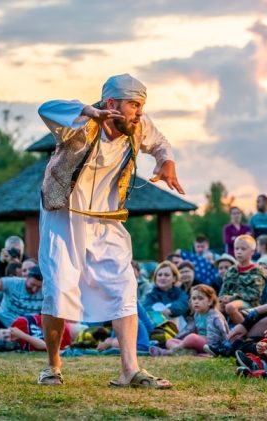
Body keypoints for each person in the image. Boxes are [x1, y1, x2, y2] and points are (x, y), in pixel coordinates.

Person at [37, 73, 181, 388]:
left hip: (107, 220)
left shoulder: (139, 127)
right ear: (112, 103)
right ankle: (52, 366)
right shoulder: (78, 123)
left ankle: (130, 370)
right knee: (59, 289)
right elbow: (46, 108)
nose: (140, 112)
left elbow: (160, 144)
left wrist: (165, 161)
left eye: (142, 105)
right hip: (64, 218)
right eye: (134, 104)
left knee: (123, 288)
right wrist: (88, 111)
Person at [159, 285, 230, 356]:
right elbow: (188, 329)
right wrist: (177, 338)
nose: (196, 302)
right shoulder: (197, 314)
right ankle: (186, 352)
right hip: (200, 342)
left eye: (200, 299)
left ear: (210, 301)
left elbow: (223, 333)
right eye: (194, 298)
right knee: (170, 341)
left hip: (211, 345)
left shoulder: (214, 315)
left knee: (191, 337)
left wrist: (215, 349)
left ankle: (170, 352)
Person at [219, 235, 266, 324]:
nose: (239, 252)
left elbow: (254, 294)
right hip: (230, 301)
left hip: (250, 304)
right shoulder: (231, 270)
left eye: (243, 249)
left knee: (230, 307)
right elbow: (223, 289)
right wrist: (222, 299)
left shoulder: (257, 270)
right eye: (236, 249)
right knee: (212, 307)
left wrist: (232, 298)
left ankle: (245, 332)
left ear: (252, 252)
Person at [140, 261, 189, 330]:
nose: (162, 278)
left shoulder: (180, 293)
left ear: (174, 278)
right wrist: (159, 312)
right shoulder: (150, 295)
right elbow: (145, 308)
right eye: (159, 275)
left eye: (166, 275)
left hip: (178, 327)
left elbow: (183, 304)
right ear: (155, 278)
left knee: (176, 314)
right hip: (156, 328)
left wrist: (170, 310)